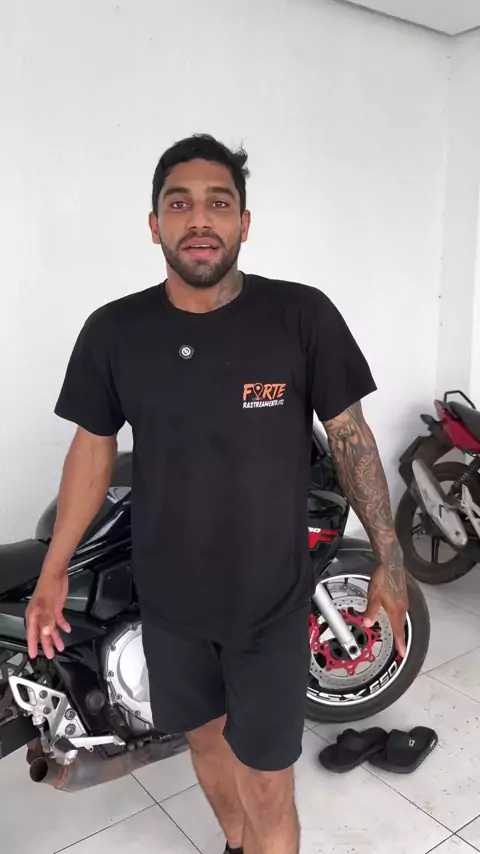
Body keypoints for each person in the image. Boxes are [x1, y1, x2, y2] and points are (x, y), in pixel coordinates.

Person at [26, 134, 408, 854]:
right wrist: (53, 571)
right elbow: (92, 452)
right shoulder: (114, 331)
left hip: (269, 603)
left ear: (244, 222)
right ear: (154, 225)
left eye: (219, 203)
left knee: (268, 782)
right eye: (180, 204)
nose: (200, 219)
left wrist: (389, 556)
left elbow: (350, 438)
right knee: (204, 743)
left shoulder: (301, 316)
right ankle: (235, 844)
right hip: (170, 605)